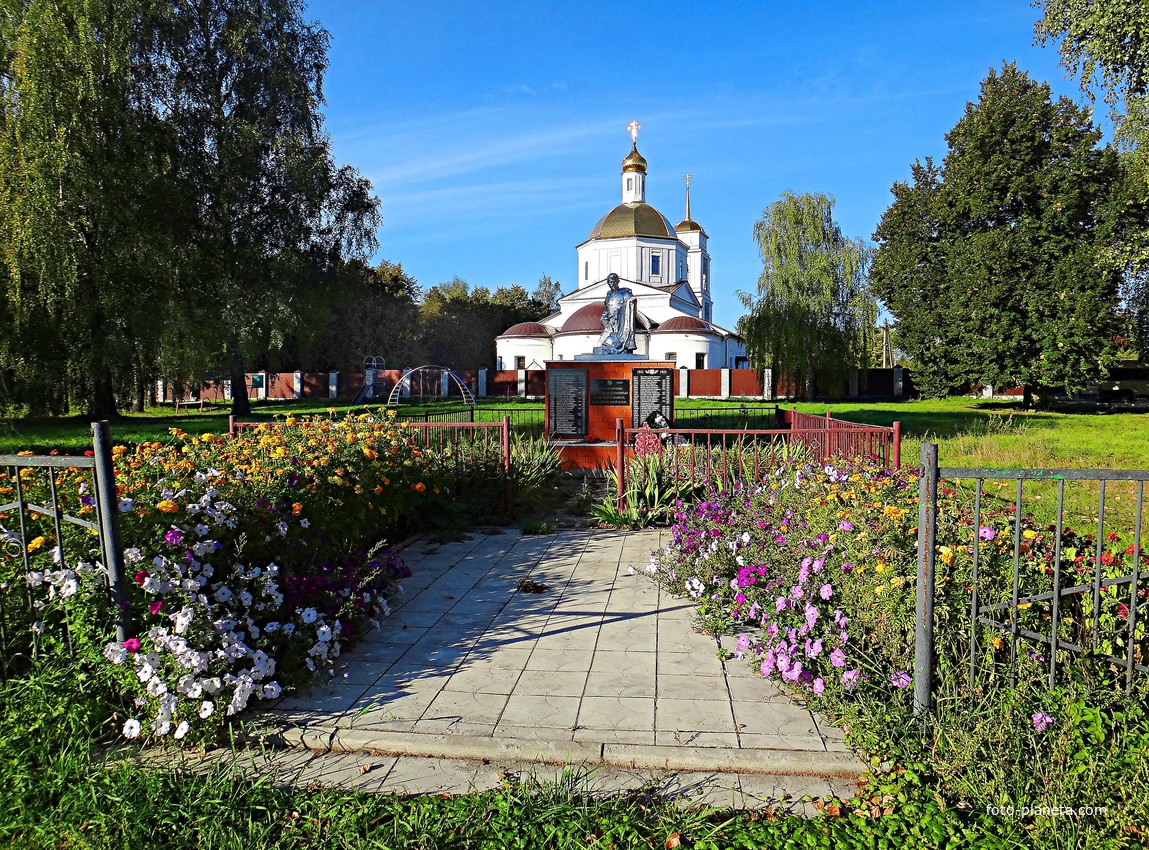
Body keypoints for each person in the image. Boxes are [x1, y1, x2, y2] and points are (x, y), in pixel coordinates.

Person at [597, 273, 637, 354]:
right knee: (600, 345)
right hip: (610, 324)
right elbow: (606, 309)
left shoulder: (625, 294)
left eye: (613, 282)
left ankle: (623, 347)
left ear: (617, 281)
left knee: (617, 343)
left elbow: (630, 305)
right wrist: (604, 318)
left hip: (621, 324)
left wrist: (631, 302)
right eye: (609, 282)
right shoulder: (609, 295)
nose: (611, 284)